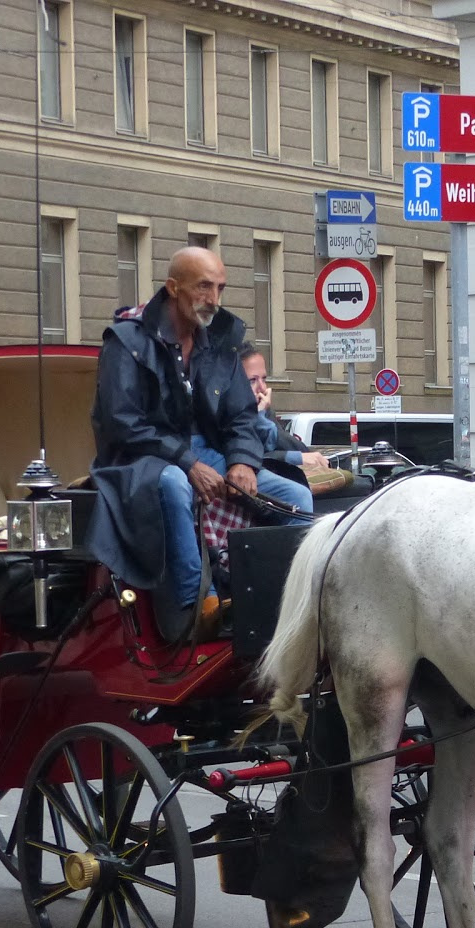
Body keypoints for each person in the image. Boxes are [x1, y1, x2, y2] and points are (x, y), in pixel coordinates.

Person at [88, 246, 313, 641]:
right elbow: (122, 423)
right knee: (175, 483)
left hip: (209, 455)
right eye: (204, 287)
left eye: (220, 288)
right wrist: (188, 462)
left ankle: (281, 603)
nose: (214, 299)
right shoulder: (126, 341)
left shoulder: (222, 341)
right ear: (173, 287)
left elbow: (242, 416)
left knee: (298, 497)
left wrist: (242, 461)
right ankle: (201, 603)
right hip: (138, 462)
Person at [238, 343, 329, 472]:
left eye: (264, 379)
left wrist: (262, 415)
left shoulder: (264, 410)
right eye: (252, 380)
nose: (262, 388)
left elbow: (297, 448)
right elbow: (252, 457)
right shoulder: (229, 414)